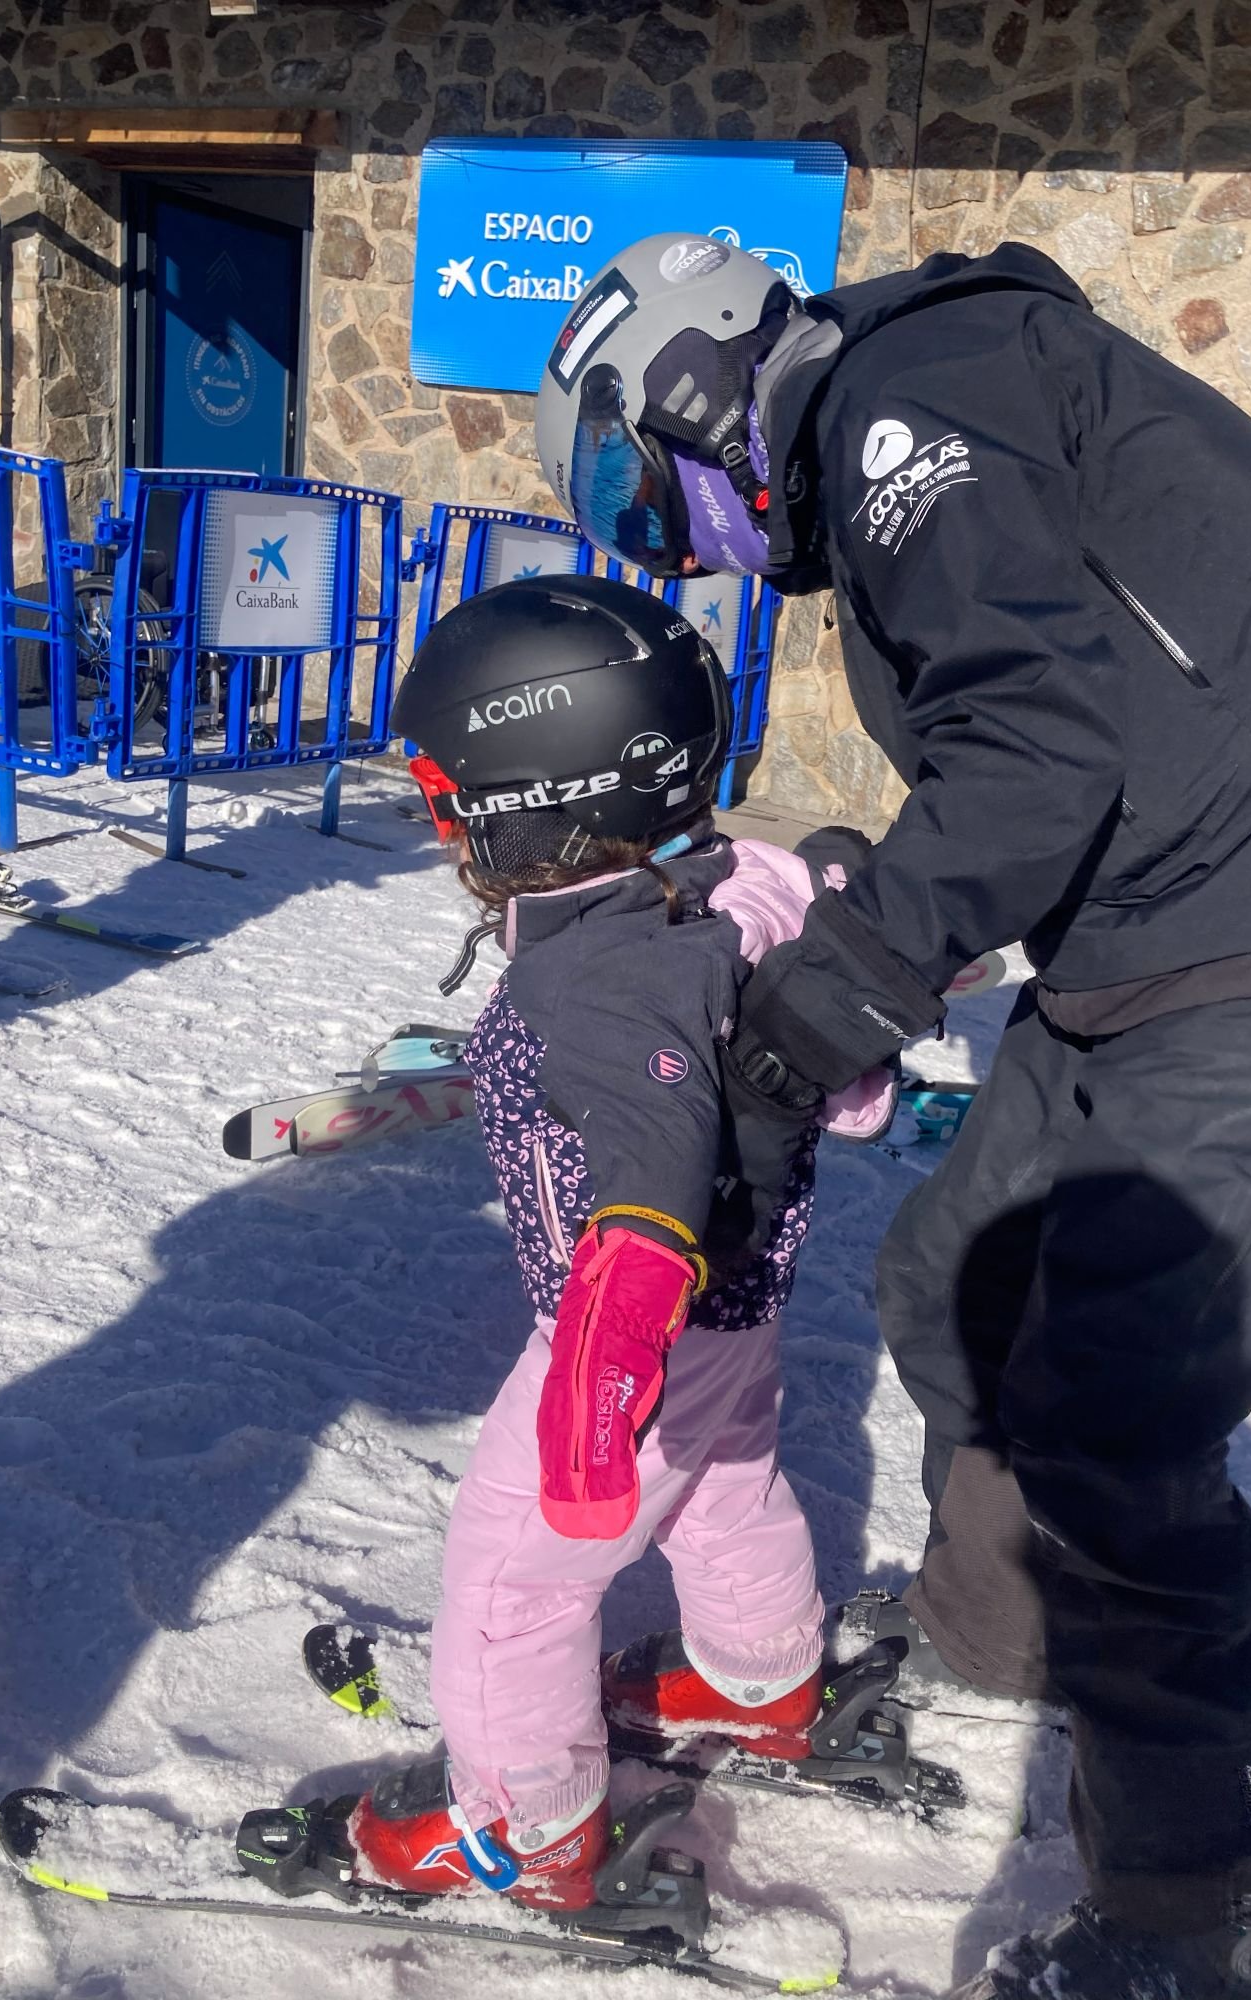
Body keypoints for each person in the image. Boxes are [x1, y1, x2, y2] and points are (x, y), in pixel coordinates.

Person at [536, 235, 1251, 2000]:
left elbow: (1036, 737)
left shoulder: (896, 406)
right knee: (958, 1279)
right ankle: (992, 1638)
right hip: (1167, 924)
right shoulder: (928, 396)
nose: (677, 545)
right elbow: (1038, 720)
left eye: (649, 498)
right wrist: (873, 893)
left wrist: (843, 984)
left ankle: (1204, 1915)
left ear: (704, 397)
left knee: (1118, 1429)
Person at [343, 575, 893, 1917]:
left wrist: (596, 1386)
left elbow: (644, 1187)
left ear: (521, 795)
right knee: (723, 1486)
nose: (436, 820)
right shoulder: (733, 884)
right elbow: (859, 1082)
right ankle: (760, 1683)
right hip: (744, 1300)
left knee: (510, 1588)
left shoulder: (604, 972)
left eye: (442, 791)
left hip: (629, 1335)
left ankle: (523, 1825)